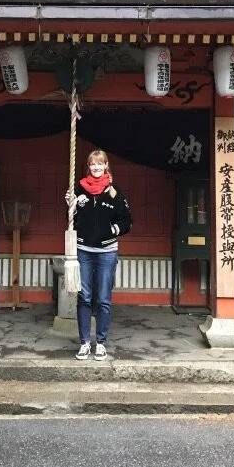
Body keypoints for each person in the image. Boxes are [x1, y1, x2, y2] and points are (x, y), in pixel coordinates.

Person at [65, 149, 132, 361]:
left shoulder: (114, 192)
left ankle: (101, 343)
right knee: (84, 297)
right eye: (93, 164)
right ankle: (85, 342)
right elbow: (71, 219)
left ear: (106, 166)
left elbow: (127, 220)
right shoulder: (79, 189)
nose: (96, 167)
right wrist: (70, 206)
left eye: (100, 164)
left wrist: (113, 230)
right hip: (84, 250)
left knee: (103, 299)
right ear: (88, 166)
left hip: (107, 252)